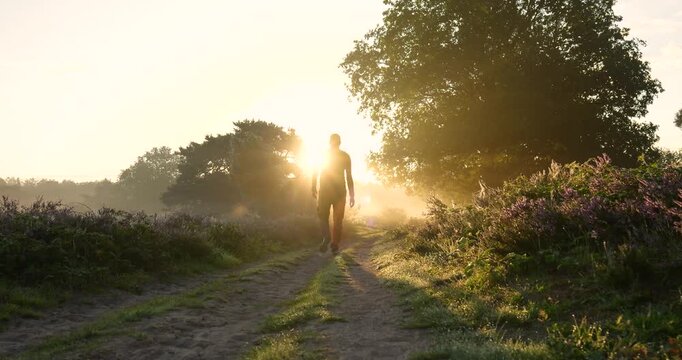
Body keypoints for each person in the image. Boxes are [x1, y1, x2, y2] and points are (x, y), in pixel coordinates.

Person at [312, 134, 355, 255]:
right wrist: (352, 195)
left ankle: (327, 238)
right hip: (340, 192)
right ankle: (335, 244)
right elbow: (349, 176)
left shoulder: (323, 154)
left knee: (322, 216)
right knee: (338, 219)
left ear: (329, 142)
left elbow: (315, 172)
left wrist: (313, 186)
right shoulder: (345, 156)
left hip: (325, 191)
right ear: (340, 142)